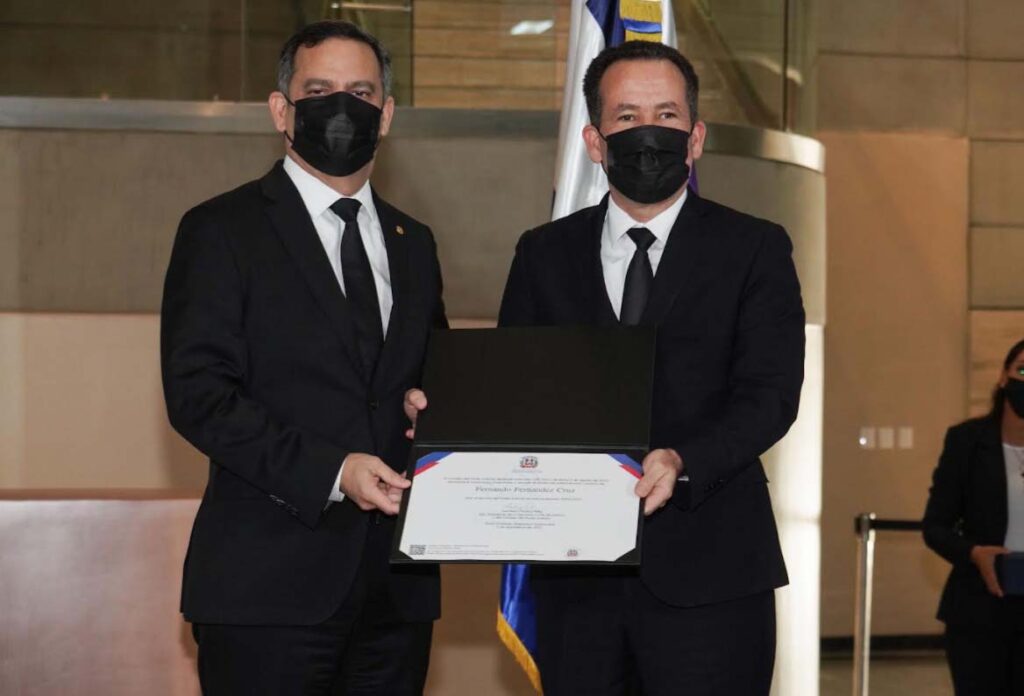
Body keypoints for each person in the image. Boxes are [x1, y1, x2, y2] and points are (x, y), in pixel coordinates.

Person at [408, 41, 805, 695]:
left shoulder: (754, 248)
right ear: (594, 141)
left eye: (667, 115)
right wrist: (445, 414)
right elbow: (514, 393)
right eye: (627, 117)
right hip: (576, 587)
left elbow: (770, 396)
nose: (648, 132)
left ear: (696, 137)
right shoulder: (543, 254)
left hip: (713, 576)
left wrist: (683, 460)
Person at [161, 21, 446, 695]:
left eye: (360, 92)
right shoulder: (220, 230)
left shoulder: (414, 242)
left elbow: (428, 380)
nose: (341, 108)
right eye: (319, 91)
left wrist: (430, 407)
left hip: (395, 597)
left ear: (387, 114)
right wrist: (333, 471)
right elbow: (200, 396)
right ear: (281, 109)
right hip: (266, 592)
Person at [924, 338, 1024, 695]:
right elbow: (935, 526)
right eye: (1023, 370)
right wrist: (974, 553)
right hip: (979, 610)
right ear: (1003, 377)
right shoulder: (967, 441)